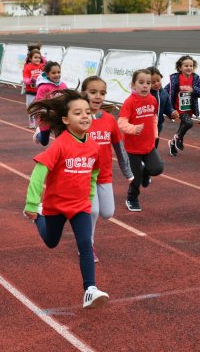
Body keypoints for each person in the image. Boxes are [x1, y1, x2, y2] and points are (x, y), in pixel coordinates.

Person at [24, 89, 109, 309]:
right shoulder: (61, 144)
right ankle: (38, 217)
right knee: (51, 242)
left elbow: (94, 173)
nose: (84, 116)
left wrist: (89, 197)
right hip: (55, 205)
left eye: (87, 112)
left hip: (79, 206)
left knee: (85, 243)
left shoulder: (93, 146)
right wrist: (32, 205)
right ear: (65, 119)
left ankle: (90, 289)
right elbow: (38, 172)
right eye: (78, 113)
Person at [81, 76, 133, 262]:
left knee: (107, 212)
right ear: (83, 93)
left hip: (105, 175)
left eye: (102, 93)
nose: (98, 96)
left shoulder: (110, 119)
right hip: (85, 176)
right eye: (93, 92)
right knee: (93, 211)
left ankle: (80, 222)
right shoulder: (79, 119)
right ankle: (87, 246)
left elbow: (119, 147)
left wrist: (127, 172)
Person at [118, 69, 163, 212]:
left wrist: (154, 134)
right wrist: (133, 129)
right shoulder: (129, 102)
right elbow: (121, 122)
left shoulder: (153, 100)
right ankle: (132, 198)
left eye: (148, 83)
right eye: (141, 82)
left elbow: (154, 119)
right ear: (133, 85)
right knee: (136, 179)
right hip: (132, 148)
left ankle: (144, 172)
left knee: (157, 169)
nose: (145, 86)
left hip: (148, 145)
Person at [164, 55, 200, 156]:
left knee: (184, 125)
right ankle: (178, 137)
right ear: (180, 68)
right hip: (179, 108)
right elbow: (165, 90)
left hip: (189, 108)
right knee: (189, 123)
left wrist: (193, 90)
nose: (189, 68)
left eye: (191, 66)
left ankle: (173, 143)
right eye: (186, 65)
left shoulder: (196, 78)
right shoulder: (175, 79)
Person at [32, 61, 68, 146]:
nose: (57, 75)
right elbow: (39, 103)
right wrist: (47, 111)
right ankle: (38, 134)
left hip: (59, 117)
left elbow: (67, 98)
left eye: (58, 72)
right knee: (44, 142)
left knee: (60, 138)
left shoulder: (63, 85)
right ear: (47, 74)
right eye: (53, 73)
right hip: (45, 117)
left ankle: (59, 152)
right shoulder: (43, 87)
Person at [147, 66, 179, 149]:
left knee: (154, 145)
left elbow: (167, 107)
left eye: (158, 80)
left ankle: (150, 160)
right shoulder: (145, 94)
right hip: (145, 126)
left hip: (158, 125)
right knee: (145, 145)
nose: (157, 83)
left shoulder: (164, 92)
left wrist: (172, 113)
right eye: (153, 82)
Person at [22, 49, 44, 128]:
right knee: (30, 107)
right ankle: (32, 122)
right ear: (30, 59)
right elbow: (25, 79)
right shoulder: (27, 67)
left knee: (42, 107)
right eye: (35, 57)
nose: (38, 59)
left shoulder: (42, 66)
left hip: (41, 92)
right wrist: (30, 81)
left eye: (39, 57)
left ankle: (42, 122)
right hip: (30, 92)